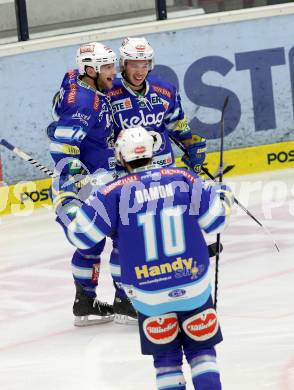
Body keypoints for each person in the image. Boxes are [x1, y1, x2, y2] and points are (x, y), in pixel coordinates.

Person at [55, 126, 234, 389]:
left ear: (121, 157)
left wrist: (66, 203)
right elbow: (217, 221)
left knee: (166, 362)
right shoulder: (184, 179)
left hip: (148, 295)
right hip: (194, 285)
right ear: (152, 152)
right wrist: (223, 194)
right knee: (202, 354)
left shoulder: (110, 193)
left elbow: (82, 238)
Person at [108, 37, 207, 324]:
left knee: (167, 232)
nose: (140, 70)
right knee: (124, 240)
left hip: (163, 172)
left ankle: (167, 290)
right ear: (123, 64)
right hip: (125, 176)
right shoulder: (109, 93)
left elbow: (178, 124)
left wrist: (191, 144)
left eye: (144, 64)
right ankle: (124, 297)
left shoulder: (164, 89)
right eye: (133, 64)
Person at [47, 42, 117, 326]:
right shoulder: (84, 104)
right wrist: (76, 174)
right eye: (108, 68)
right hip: (89, 182)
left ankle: (85, 302)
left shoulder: (74, 79)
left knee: (93, 241)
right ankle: (126, 301)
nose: (114, 73)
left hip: (95, 176)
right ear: (90, 70)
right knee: (122, 234)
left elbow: (56, 115)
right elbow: (62, 143)